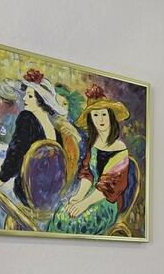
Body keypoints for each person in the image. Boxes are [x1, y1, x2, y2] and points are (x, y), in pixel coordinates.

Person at [49, 87, 132, 235]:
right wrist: (79, 196)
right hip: (89, 194)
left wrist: (84, 204)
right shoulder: (93, 144)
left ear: (110, 116)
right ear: (91, 119)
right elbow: (87, 174)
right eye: (95, 115)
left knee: (77, 222)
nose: (100, 119)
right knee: (61, 214)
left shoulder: (120, 148)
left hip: (108, 202)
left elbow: (110, 187)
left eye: (103, 114)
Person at [0, 68, 67, 203]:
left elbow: (17, 150)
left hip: (27, 190)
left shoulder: (26, 118)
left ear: (41, 100)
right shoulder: (55, 130)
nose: (25, 98)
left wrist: (1, 178)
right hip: (50, 193)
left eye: (30, 96)